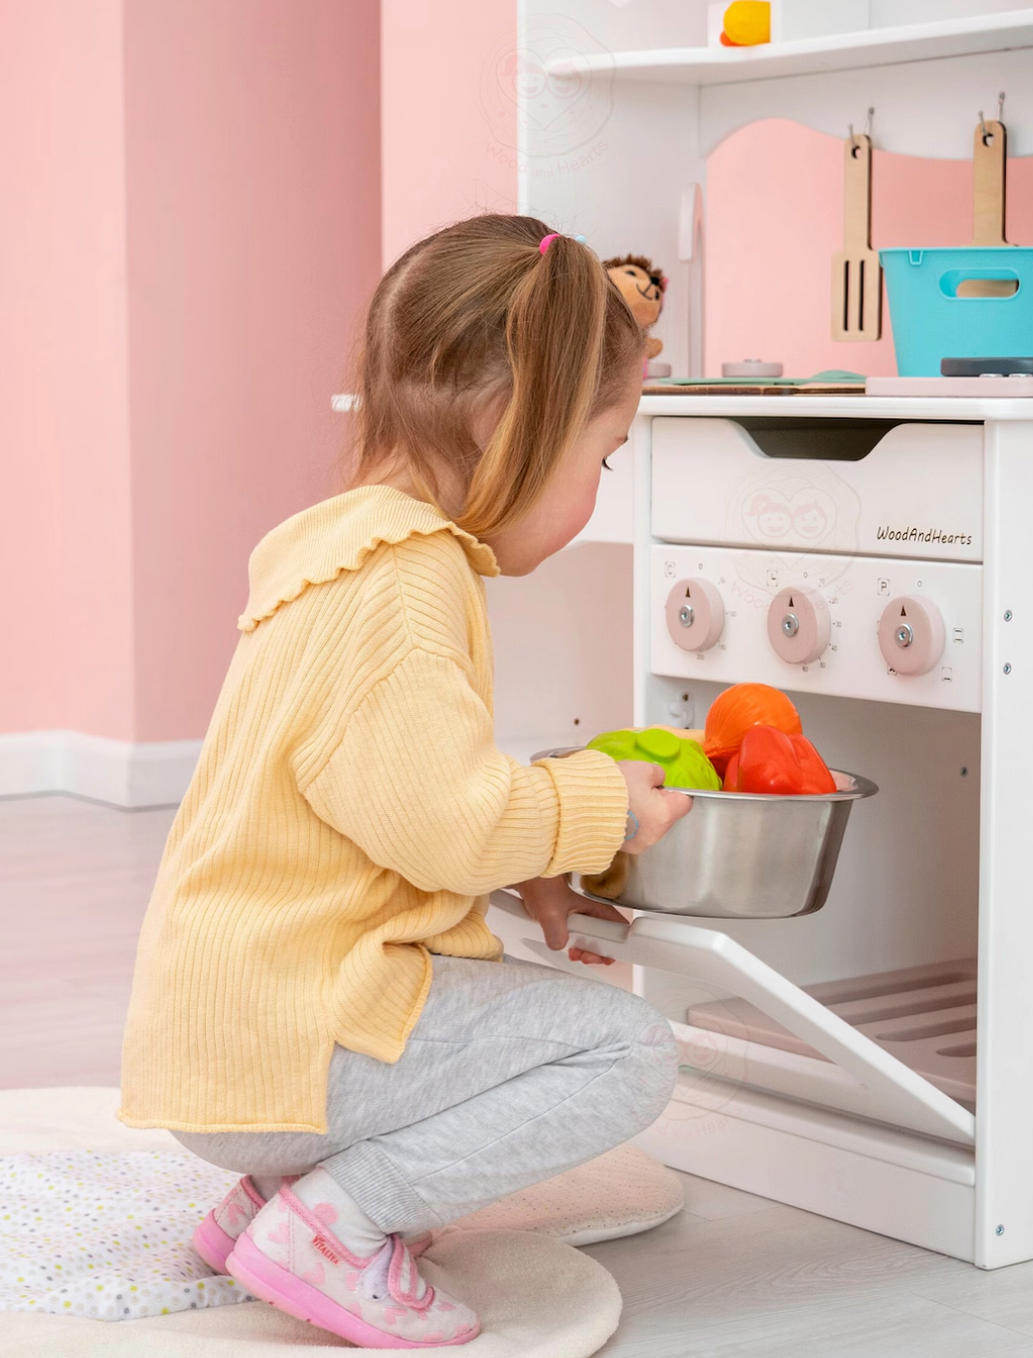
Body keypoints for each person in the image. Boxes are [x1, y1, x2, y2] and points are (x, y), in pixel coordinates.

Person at [119, 216, 690, 1348]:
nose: (598, 489)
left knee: (487, 998)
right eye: (604, 454)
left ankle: (270, 1198)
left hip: (227, 1025)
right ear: (511, 420)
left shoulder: (333, 548)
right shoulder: (408, 579)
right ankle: (338, 1221)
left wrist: (524, 862)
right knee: (625, 1050)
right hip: (296, 1037)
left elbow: (374, 812)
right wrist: (599, 802)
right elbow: (445, 824)